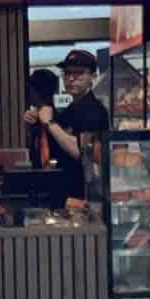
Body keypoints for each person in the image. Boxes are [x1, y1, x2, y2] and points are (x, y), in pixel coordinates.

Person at [24, 49, 108, 201]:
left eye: (79, 73)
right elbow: (55, 145)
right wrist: (34, 123)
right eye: (67, 73)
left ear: (93, 76)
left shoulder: (94, 110)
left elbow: (80, 152)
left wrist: (50, 123)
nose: (71, 78)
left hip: (84, 193)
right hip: (66, 191)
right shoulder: (71, 109)